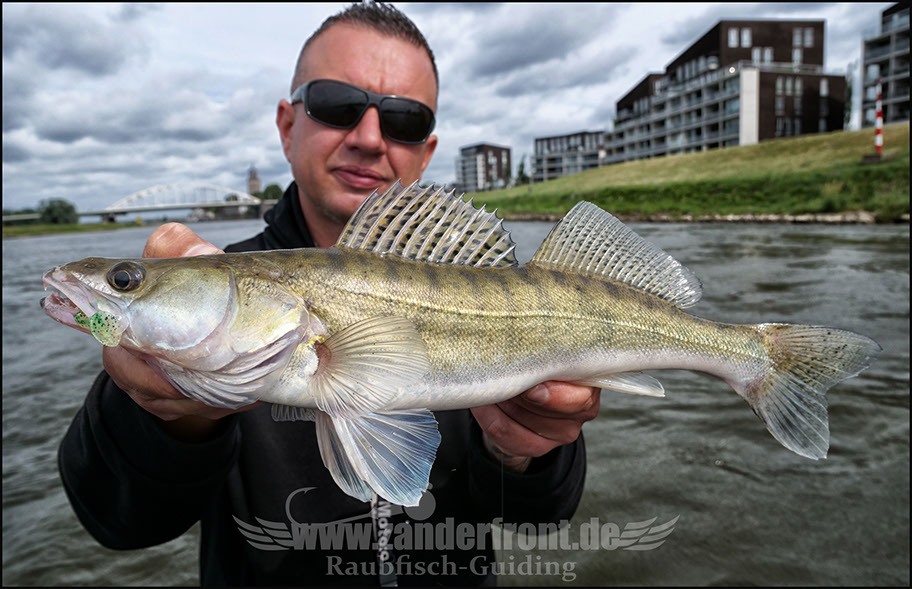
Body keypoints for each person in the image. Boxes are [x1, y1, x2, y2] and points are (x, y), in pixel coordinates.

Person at [58, 3, 600, 585]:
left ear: (427, 151)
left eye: (405, 119)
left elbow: (540, 521)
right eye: (337, 105)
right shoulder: (214, 271)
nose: (369, 138)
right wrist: (164, 417)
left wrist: (520, 451)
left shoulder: (500, 290)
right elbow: (117, 522)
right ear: (287, 126)